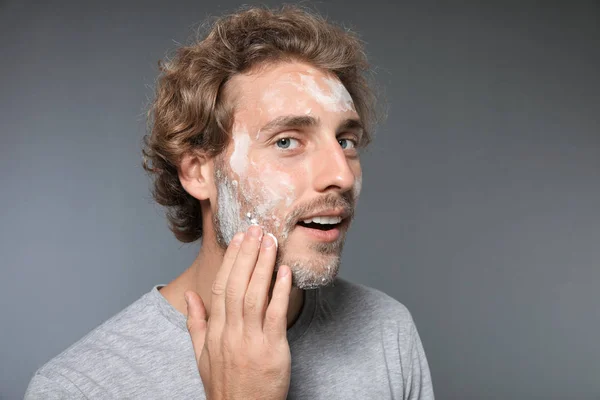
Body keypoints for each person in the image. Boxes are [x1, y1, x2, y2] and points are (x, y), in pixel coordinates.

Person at [25, 5, 434, 399]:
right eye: (287, 141)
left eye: (345, 141)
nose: (341, 176)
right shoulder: (79, 388)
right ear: (198, 172)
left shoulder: (385, 331)